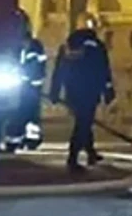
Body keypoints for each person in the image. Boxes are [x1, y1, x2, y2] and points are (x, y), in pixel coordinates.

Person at [48, 15, 114, 172]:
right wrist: (108, 90)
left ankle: (91, 153)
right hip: (90, 91)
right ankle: (73, 158)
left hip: (73, 91)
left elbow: (59, 71)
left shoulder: (67, 45)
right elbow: (103, 70)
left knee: (84, 121)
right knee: (83, 124)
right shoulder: (96, 45)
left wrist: (55, 91)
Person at [7, 12, 49, 153]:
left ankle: (30, 139)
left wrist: (33, 79)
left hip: (31, 87)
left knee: (30, 114)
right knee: (16, 114)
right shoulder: (12, 46)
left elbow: (40, 65)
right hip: (17, 87)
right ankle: (13, 140)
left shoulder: (35, 45)